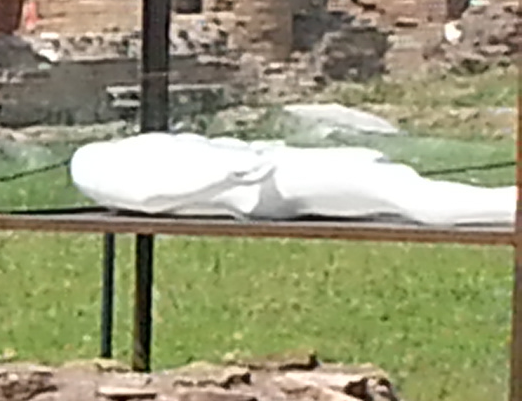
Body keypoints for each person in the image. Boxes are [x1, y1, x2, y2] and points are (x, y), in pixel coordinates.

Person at [70, 131, 515, 228]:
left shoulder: (138, 149)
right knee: (413, 200)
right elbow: (151, 197)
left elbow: (209, 145)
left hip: (279, 170)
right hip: (272, 180)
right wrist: (232, 172)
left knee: (405, 196)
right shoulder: (97, 167)